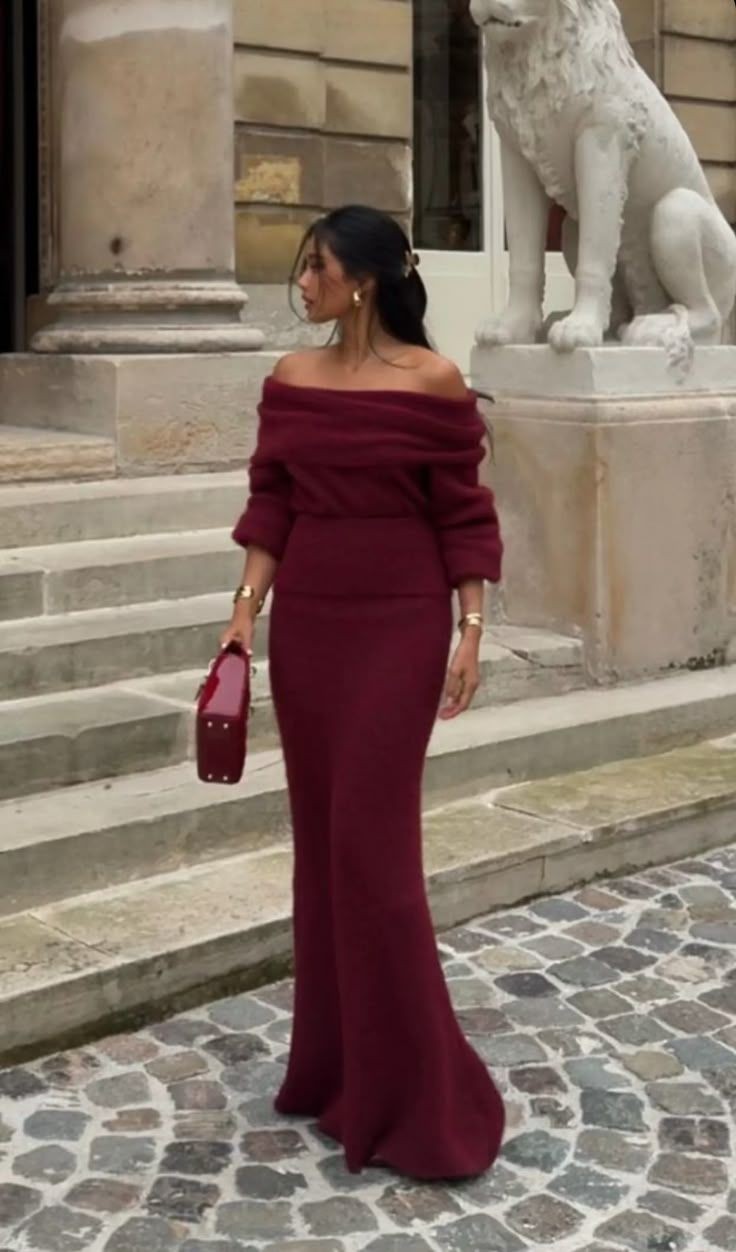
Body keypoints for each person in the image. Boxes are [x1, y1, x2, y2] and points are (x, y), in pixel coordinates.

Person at [221, 204, 505, 1179]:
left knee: (372, 855)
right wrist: (243, 614)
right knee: (322, 851)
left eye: (317, 269)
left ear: (365, 282)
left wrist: (471, 629)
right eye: (303, 268)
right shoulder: (290, 379)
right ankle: (333, 1069)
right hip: (310, 628)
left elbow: (462, 512)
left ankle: (418, 1096)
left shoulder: (434, 381)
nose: (302, 285)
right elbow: (272, 501)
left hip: (400, 624)